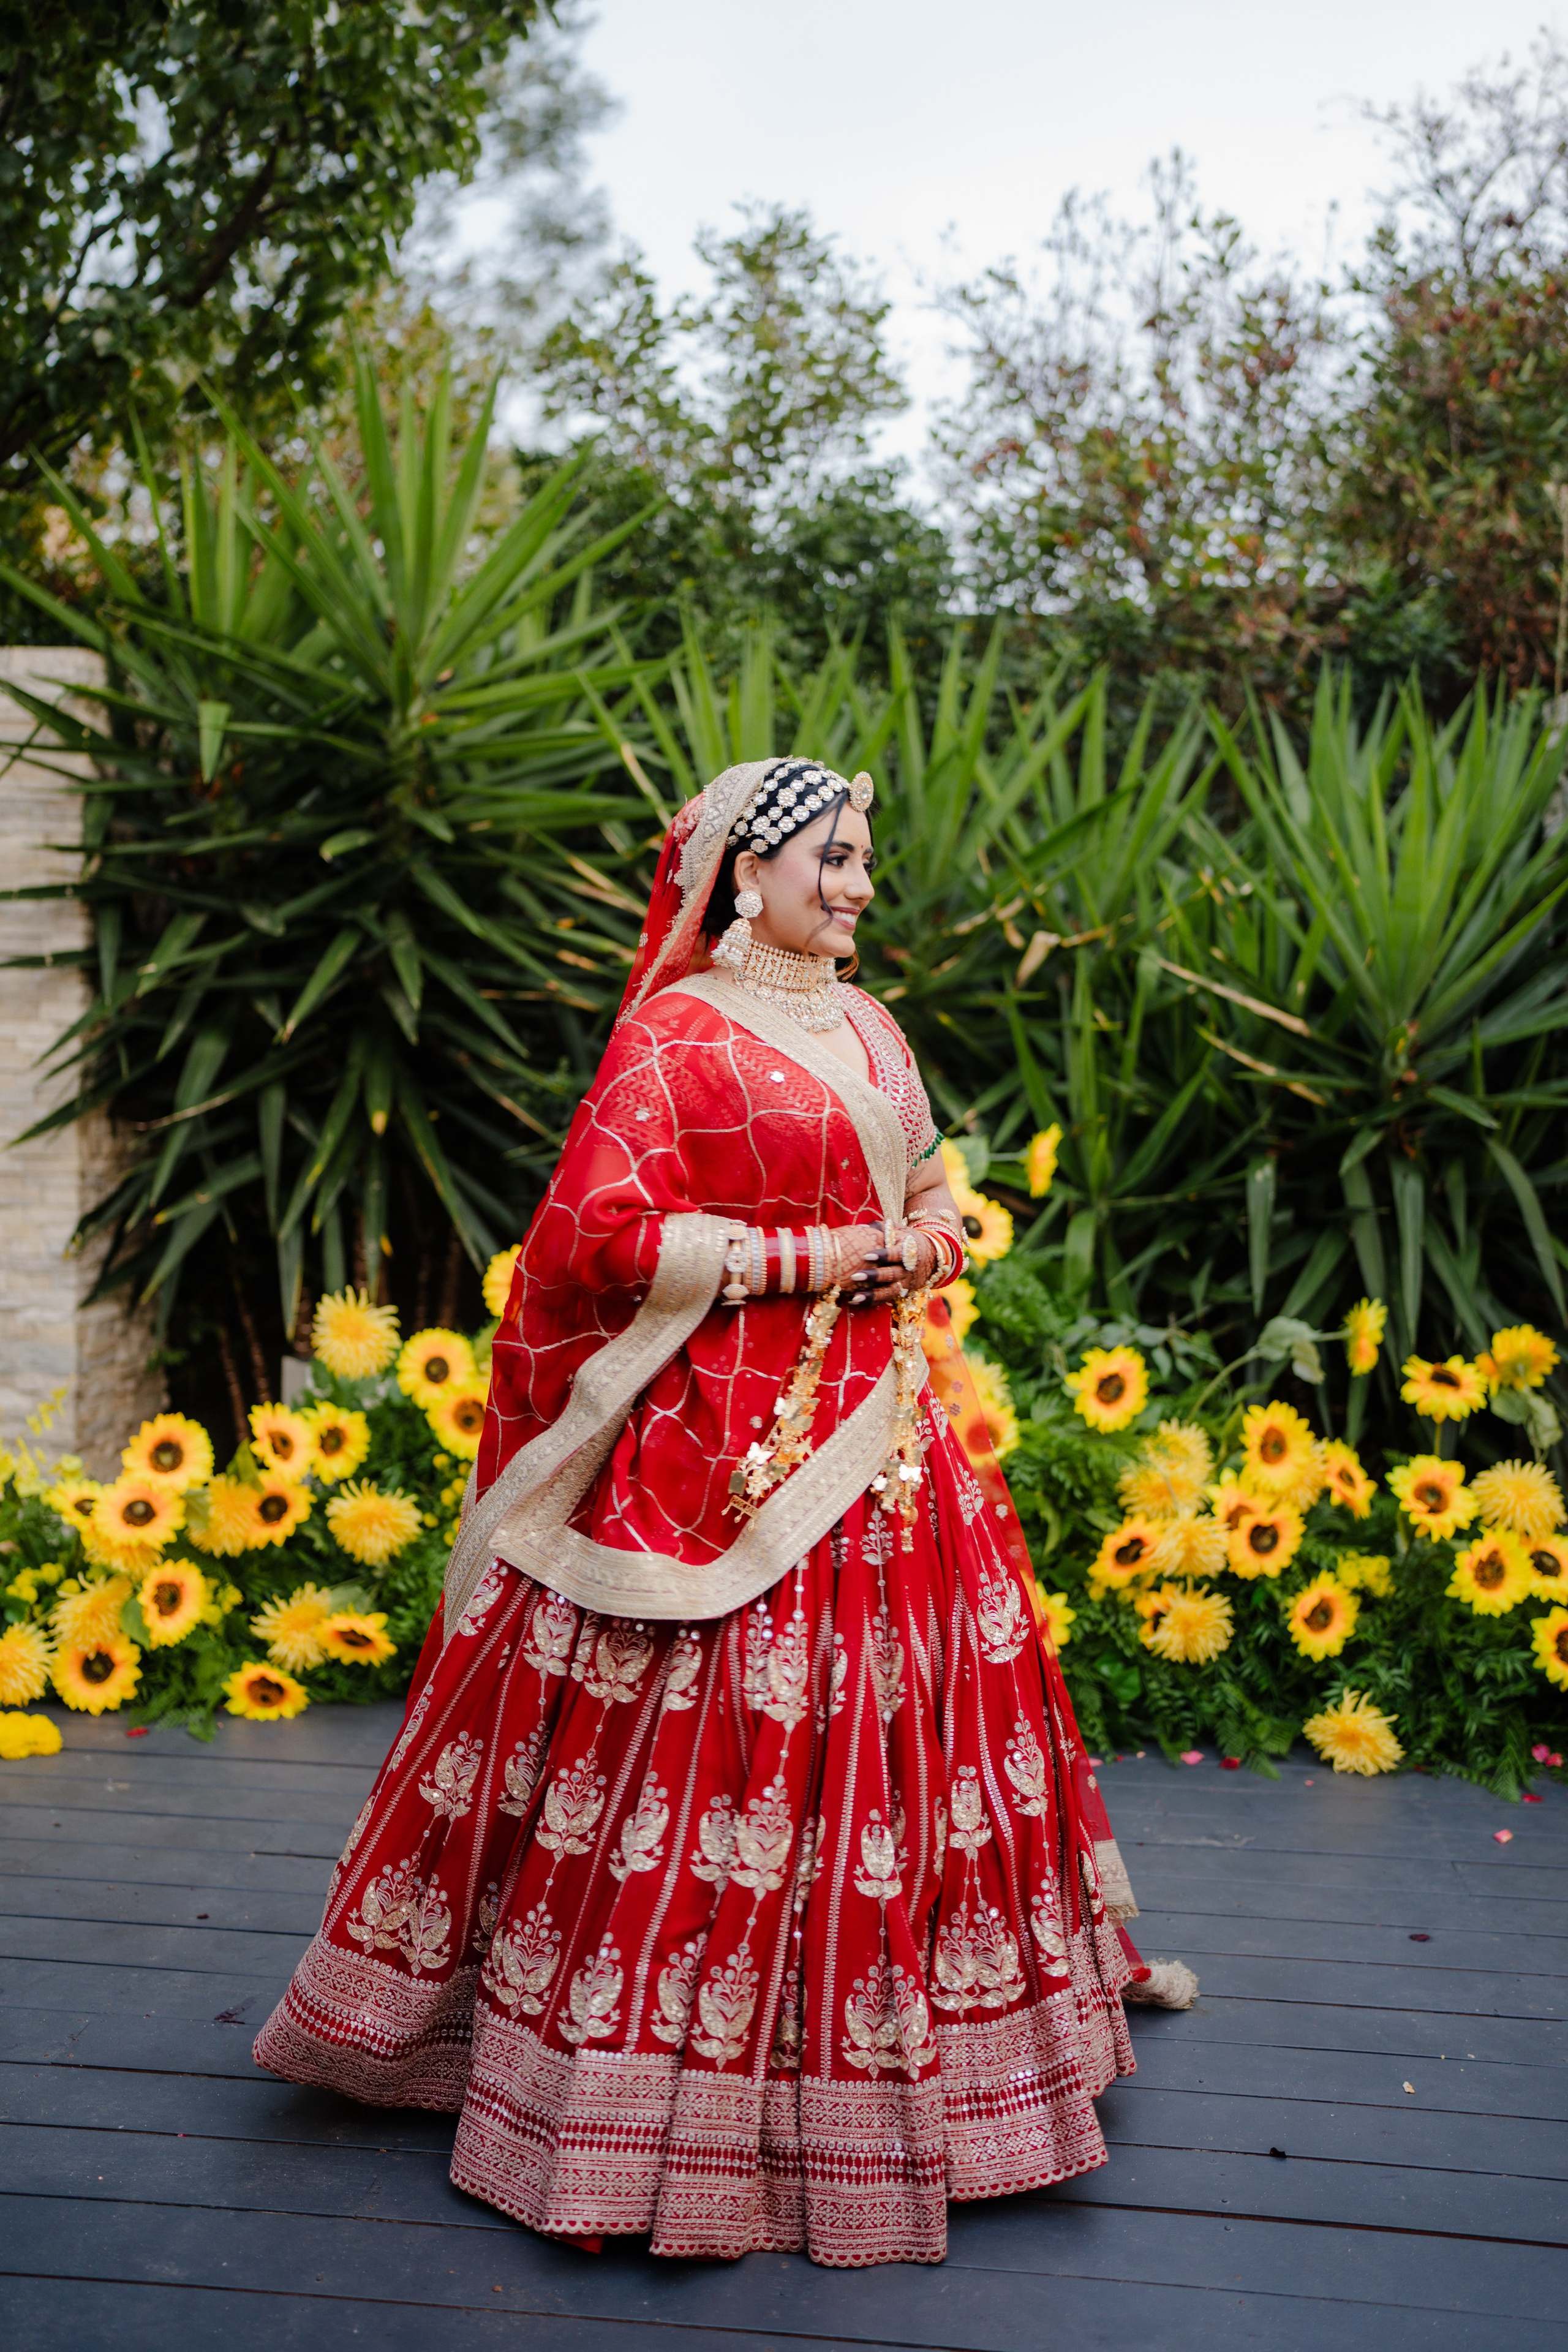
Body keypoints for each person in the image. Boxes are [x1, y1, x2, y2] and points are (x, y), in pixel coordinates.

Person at [255, 756, 1192, 2269]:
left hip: (884, 1440)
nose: (859, 884)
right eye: (831, 857)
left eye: (864, 857)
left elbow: (934, 1182)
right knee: (713, 1746)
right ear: (740, 875)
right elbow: (596, 1237)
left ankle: (944, 2069)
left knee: (912, 1736)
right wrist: (817, 1261)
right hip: (718, 1456)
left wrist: (929, 1253)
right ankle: (628, 2097)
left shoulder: (871, 1025)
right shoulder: (675, 1038)